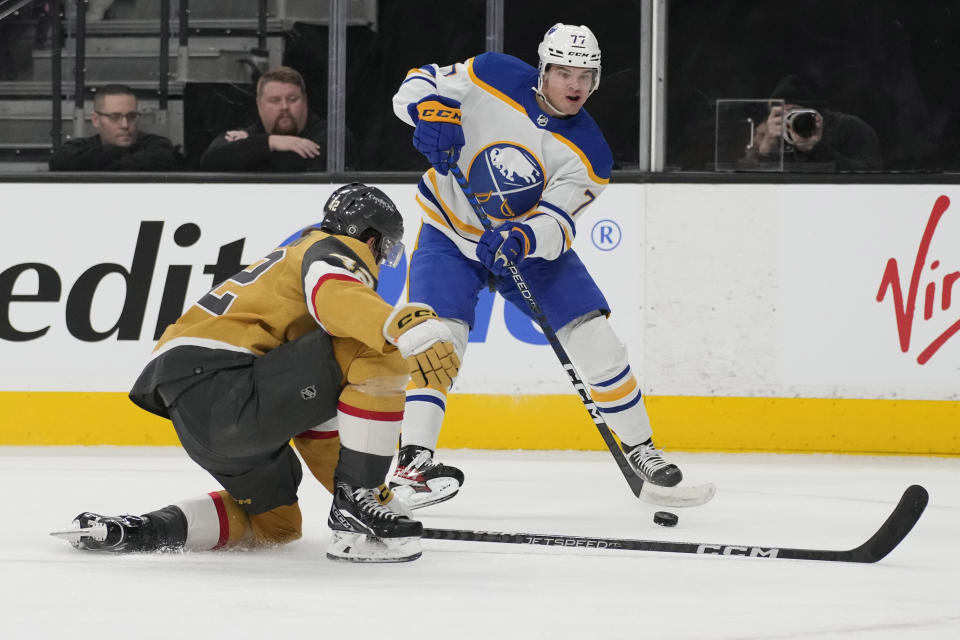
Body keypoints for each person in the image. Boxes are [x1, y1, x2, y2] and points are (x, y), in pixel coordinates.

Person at [51, 183, 461, 563]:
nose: (380, 258)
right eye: (384, 248)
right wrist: (401, 324)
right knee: (379, 345)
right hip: (227, 382)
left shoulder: (288, 266)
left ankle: (139, 530)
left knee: (276, 526)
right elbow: (334, 293)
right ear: (370, 238)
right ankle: (360, 497)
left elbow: (318, 424)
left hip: (196, 407)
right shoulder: (331, 247)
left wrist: (372, 504)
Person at [387, 23, 684, 510]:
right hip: (448, 233)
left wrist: (524, 237)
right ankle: (414, 462)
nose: (576, 85)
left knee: (596, 340)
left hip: (525, 250)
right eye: (564, 72)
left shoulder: (591, 152)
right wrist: (426, 111)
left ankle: (642, 449)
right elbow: (420, 80)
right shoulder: (492, 73)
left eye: (586, 75)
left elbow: (557, 221)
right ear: (543, 70)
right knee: (437, 343)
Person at [199, 66, 335, 172]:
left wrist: (247, 151)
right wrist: (271, 141)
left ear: (305, 101)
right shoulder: (249, 133)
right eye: (275, 100)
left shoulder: (331, 135)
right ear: (259, 104)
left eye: (292, 99)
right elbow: (210, 161)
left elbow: (308, 163)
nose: (284, 106)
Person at [747, 74, 882, 171]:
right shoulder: (770, 132)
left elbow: (873, 178)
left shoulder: (848, 127)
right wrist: (764, 151)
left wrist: (818, 149)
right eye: (783, 115)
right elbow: (745, 183)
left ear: (817, 114)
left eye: (798, 114)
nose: (792, 122)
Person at [48, 84, 181, 171]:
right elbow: (58, 161)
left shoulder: (157, 146)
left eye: (131, 116)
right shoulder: (74, 149)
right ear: (95, 120)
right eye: (115, 117)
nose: (125, 125)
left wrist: (101, 161)